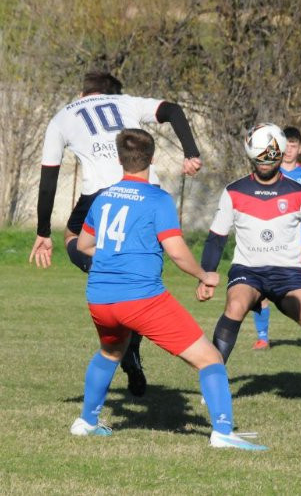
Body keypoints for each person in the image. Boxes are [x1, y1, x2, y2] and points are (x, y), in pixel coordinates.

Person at [70, 128, 266, 450]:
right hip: (141, 298)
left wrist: (115, 255)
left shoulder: (104, 197)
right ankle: (223, 432)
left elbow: (83, 245)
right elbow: (176, 251)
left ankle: (86, 422)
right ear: (152, 159)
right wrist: (204, 275)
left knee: (110, 352)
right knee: (210, 359)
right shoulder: (158, 199)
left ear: (119, 159)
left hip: (100, 297)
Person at [29, 70, 203, 397]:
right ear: (113, 93)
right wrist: (191, 153)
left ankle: (108, 271)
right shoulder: (126, 102)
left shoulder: (62, 116)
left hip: (101, 194)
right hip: (147, 191)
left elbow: (48, 177)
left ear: (83, 93)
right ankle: (132, 346)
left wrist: (43, 232)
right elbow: (173, 109)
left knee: (73, 238)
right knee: (138, 275)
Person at [198, 123, 301, 414]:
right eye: (260, 159)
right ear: (250, 157)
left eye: (270, 158)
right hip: (248, 270)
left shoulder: (299, 193)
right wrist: (206, 275)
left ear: (280, 156)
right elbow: (216, 237)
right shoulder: (234, 191)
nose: (265, 164)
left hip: (288, 273)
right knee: (236, 304)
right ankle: (213, 386)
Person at [251, 126, 301, 350]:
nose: (289, 150)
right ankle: (262, 337)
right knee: (261, 288)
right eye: (286, 146)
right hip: (270, 241)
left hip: (299, 243)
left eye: (293, 146)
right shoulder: (269, 172)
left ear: (300, 149)